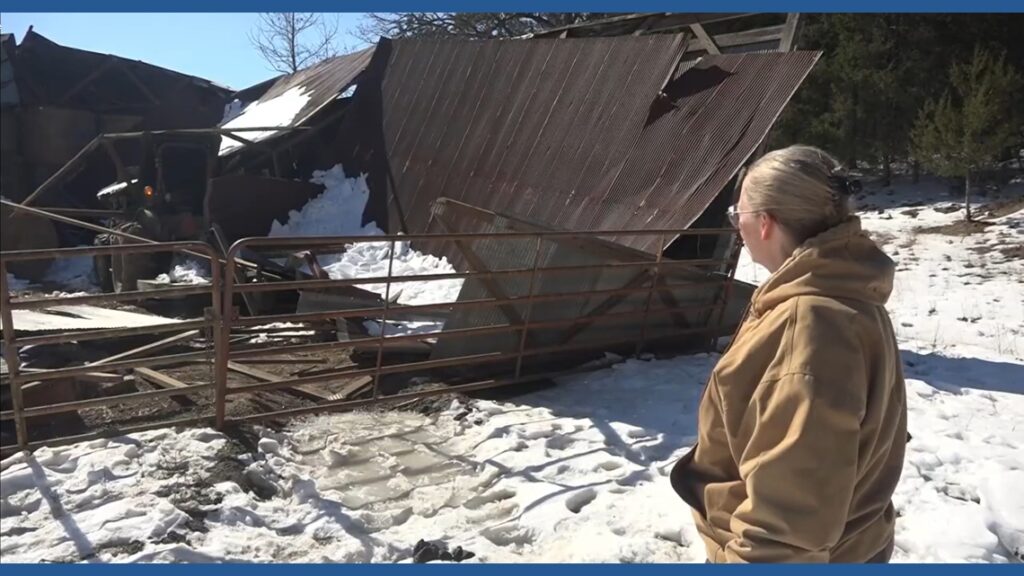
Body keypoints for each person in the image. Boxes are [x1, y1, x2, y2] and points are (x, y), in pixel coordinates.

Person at [671, 145, 907, 563]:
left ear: (765, 223)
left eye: (737, 215)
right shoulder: (845, 293)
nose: (737, 228)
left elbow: (786, 529)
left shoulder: (809, 326)